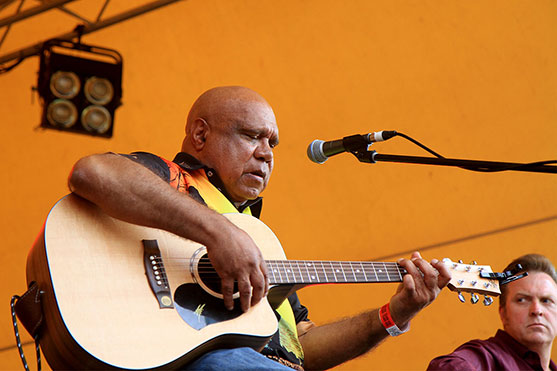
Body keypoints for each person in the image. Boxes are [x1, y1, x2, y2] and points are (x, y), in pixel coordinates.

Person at [69, 86, 451, 370]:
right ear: (200, 135)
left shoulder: (258, 240)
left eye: (273, 143)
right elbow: (92, 172)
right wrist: (220, 234)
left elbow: (298, 348)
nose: (266, 153)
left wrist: (394, 314)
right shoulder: (172, 180)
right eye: (252, 136)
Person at [428, 254, 557, 371]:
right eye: (522, 300)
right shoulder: (487, 357)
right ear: (503, 313)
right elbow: (445, 367)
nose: (536, 310)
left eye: (546, 300)